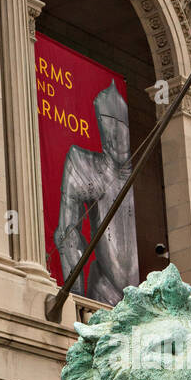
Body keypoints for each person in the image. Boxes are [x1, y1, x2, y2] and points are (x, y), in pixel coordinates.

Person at [54, 80, 139, 305]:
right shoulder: (87, 166)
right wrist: (76, 298)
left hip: (139, 301)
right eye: (111, 125)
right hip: (103, 292)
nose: (118, 135)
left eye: (122, 127)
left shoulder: (139, 175)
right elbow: (67, 234)